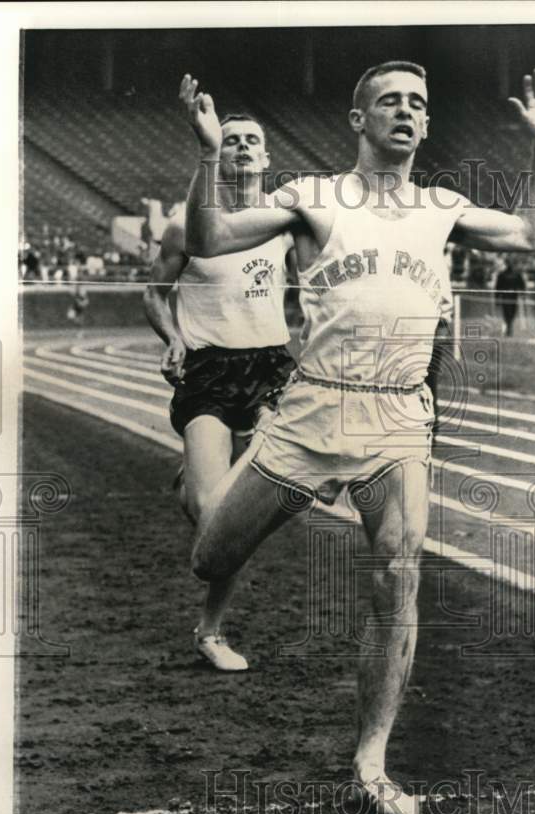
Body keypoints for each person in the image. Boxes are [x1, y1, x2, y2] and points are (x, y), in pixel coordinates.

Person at [180, 63, 535, 814]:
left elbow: (534, 231)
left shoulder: (441, 206)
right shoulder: (313, 197)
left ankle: (371, 759)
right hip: (312, 413)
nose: (406, 111)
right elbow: (211, 234)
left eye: (418, 103)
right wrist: (203, 155)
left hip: (396, 417)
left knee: (398, 576)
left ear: (426, 126)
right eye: (389, 100)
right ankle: (221, 520)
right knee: (210, 557)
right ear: (359, 120)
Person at [143, 113, 296, 672]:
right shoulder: (187, 226)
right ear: (217, 152)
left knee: (245, 513)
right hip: (208, 372)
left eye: (253, 140)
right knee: (212, 514)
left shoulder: (284, 222)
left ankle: (211, 633)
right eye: (230, 141)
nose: (242, 148)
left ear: (266, 157)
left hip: (270, 373)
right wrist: (173, 338)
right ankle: (198, 476)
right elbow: (155, 294)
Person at [494, 256, 525, 337]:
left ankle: (509, 326)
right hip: (505, 296)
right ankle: (509, 327)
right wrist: (497, 298)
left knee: (512, 312)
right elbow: (498, 287)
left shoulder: (517, 274)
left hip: (513, 296)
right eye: (508, 263)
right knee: (507, 312)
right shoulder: (502, 274)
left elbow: (521, 284)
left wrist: (522, 293)